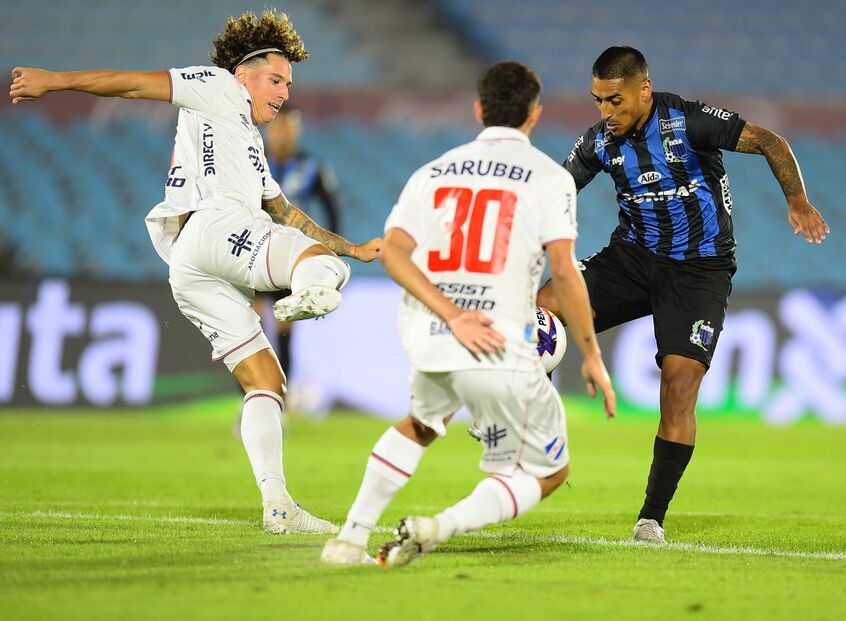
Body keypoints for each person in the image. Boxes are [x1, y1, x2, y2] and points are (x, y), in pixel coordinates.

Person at [9, 9, 382, 535]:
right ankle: (307, 293)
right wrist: (55, 81)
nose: (283, 94)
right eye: (275, 80)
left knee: (267, 384)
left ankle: (278, 506)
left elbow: (287, 214)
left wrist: (352, 248)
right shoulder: (216, 86)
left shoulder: (252, 145)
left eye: (289, 85)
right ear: (243, 73)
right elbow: (134, 86)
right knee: (324, 273)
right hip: (216, 225)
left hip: (189, 264)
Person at [319, 61, 616, 566]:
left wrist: (451, 313)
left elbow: (392, 252)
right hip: (499, 345)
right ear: (534, 115)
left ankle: (348, 539)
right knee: (549, 471)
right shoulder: (550, 178)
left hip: (431, 337)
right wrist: (591, 354)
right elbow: (564, 274)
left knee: (420, 424)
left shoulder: (432, 172)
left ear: (479, 110)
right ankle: (439, 526)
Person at [537, 45, 830, 543]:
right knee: (542, 306)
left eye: (615, 100)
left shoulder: (688, 122)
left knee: (677, 387)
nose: (605, 112)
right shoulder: (598, 143)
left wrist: (797, 200)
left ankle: (651, 517)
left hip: (699, 271)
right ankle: (512, 409)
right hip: (631, 259)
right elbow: (556, 190)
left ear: (643, 90)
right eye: (597, 101)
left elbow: (771, 141)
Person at [254, 107, 342, 384]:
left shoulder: (313, 167)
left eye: (290, 128)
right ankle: (249, 397)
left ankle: (281, 396)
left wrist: (328, 258)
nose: (284, 134)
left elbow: (333, 214)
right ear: (269, 129)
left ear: (297, 131)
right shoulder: (251, 162)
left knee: (284, 329)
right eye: (279, 127)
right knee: (250, 328)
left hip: (289, 258)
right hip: (251, 253)